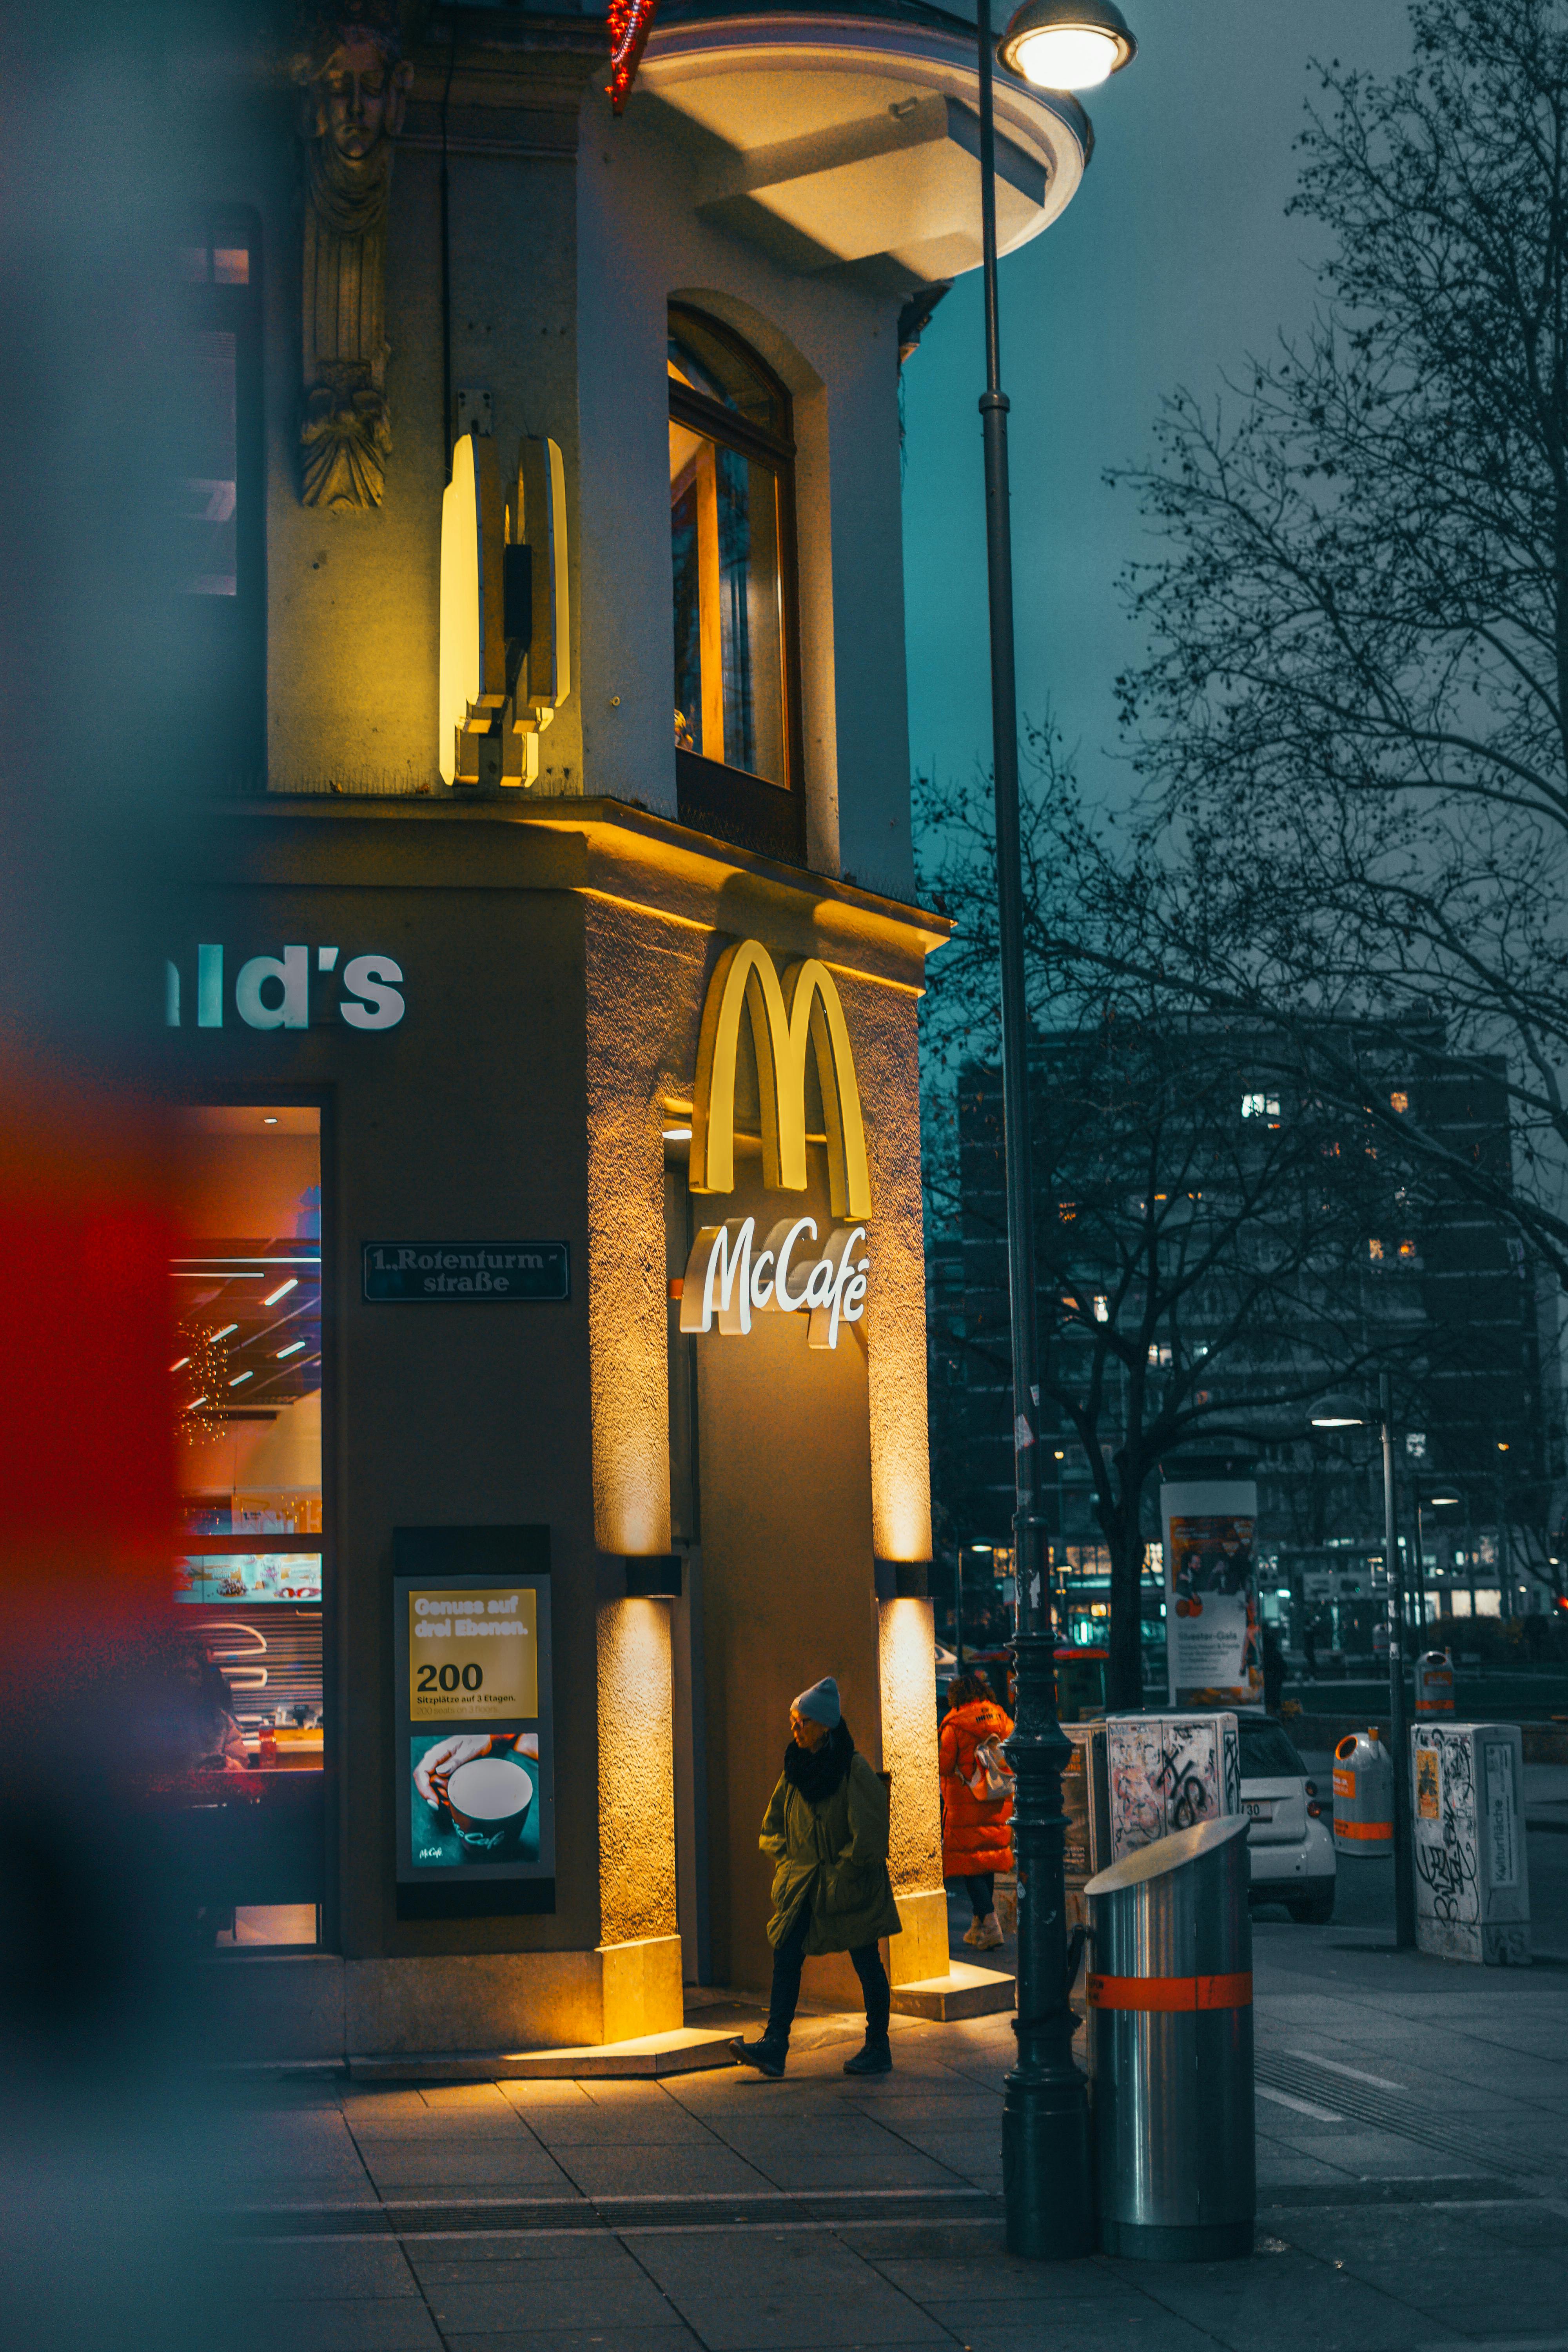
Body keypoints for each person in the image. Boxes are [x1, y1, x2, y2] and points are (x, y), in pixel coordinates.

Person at [731, 1677, 903, 2080]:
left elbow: (869, 1835)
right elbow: (773, 1825)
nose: (795, 1728)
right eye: (793, 1720)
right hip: (804, 1885)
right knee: (787, 1953)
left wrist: (842, 1873)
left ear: (825, 1725)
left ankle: (878, 2046)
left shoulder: (852, 1768)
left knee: (866, 1960)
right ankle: (775, 2045)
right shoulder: (795, 1769)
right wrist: (790, 1864)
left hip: (849, 1887)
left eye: (803, 1721)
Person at [939, 1671, 1013, 1951]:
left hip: (967, 1802)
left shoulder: (955, 1725)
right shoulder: (1001, 1718)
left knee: (970, 1864)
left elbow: (945, 1765)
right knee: (986, 1861)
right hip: (997, 1798)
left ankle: (991, 1925)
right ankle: (978, 1926)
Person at [1261, 1622, 1287, 1714]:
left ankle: (1273, 1712)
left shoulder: (1264, 1641)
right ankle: (1275, 1712)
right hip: (1275, 1672)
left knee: (1270, 1695)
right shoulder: (1270, 1642)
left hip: (1271, 1672)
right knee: (1274, 1695)